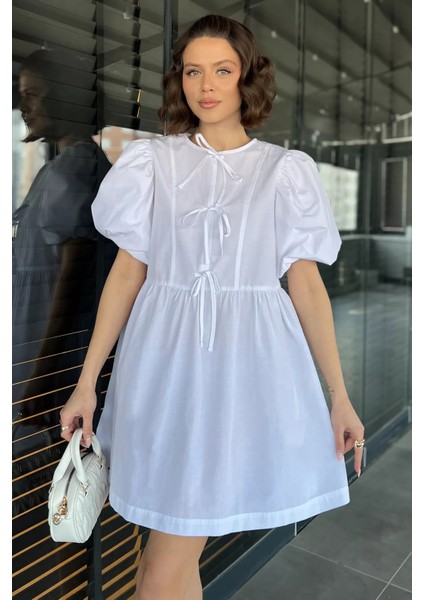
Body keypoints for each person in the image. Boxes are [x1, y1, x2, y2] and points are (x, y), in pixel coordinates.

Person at [59, 14, 365, 600]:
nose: (206, 85)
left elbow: (305, 286)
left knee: (167, 559)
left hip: (243, 377)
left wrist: (339, 395)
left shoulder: (283, 170)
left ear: (247, 77)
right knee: (166, 558)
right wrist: (86, 382)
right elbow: (126, 274)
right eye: (193, 71)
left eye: (222, 70)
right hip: (160, 370)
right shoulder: (153, 162)